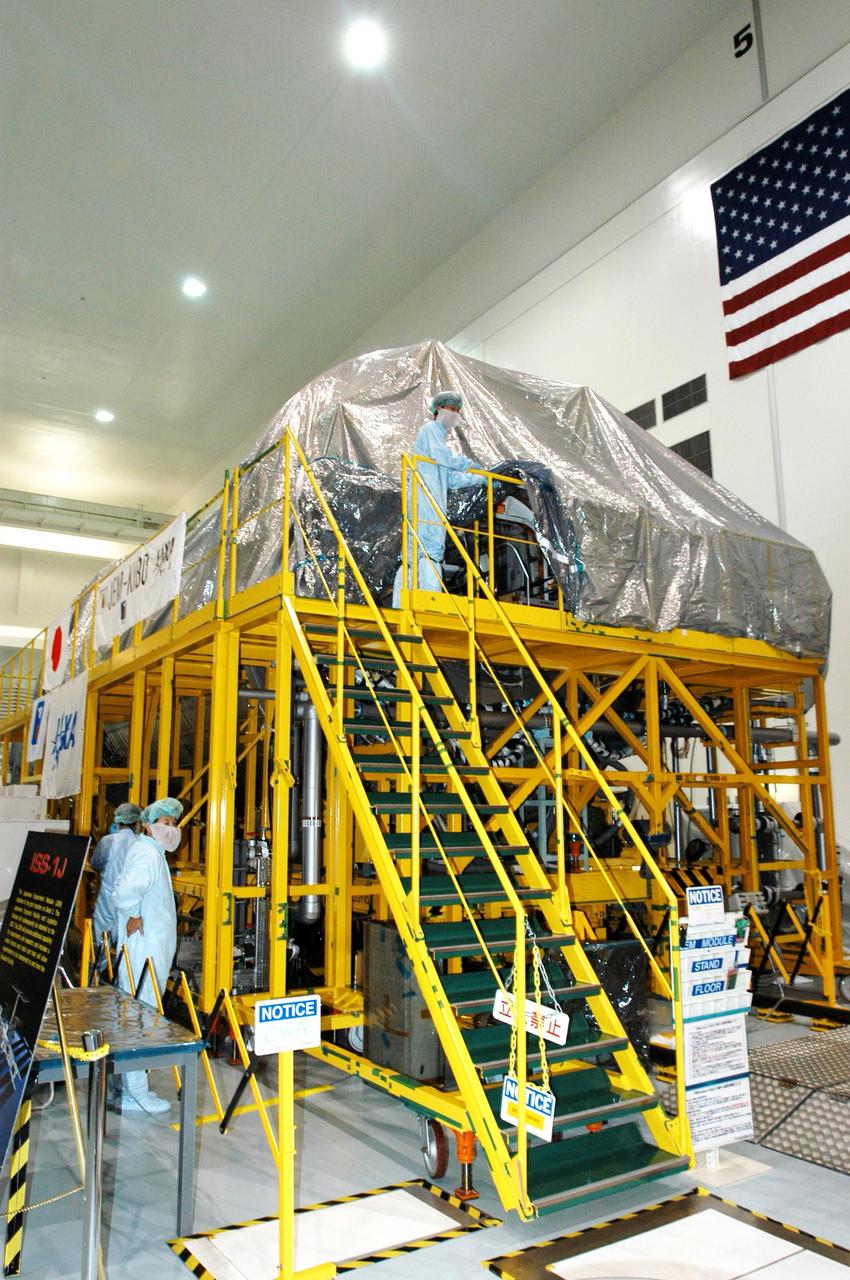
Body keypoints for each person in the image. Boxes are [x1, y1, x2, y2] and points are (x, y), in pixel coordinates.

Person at [111, 797, 183, 1115]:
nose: (172, 830)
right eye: (166, 824)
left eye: (174, 824)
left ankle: (131, 1086)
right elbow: (125, 892)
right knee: (141, 1018)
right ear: (150, 826)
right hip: (144, 952)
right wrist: (133, 913)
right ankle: (137, 1092)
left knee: (137, 1016)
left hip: (148, 950)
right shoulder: (148, 855)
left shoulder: (151, 852)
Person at [392, 391, 484, 607]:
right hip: (425, 500)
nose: (454, 414)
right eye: (451, 409)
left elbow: (451, 479)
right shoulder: (431, 429)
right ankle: (427, 602)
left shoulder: (437, 437)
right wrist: (468, 464)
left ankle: (404, 602)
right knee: (428, 550)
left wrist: (478, 480)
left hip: (429, 499)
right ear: (438, 409)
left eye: (457, 411)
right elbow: (442, 457)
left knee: (418, 554)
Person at [91, 803, 142, 953]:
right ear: (137, 823)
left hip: (107, 903)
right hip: (131, 907)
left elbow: (96, 864)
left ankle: (95, 975)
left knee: (100, 948)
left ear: (117, 822)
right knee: (127, 952)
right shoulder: (142, 844)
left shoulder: (107, 841)